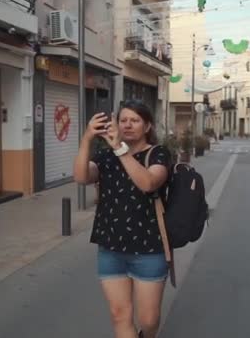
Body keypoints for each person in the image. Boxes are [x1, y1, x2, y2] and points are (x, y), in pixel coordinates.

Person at [73, 100, 171, 338]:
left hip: (149, 248)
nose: (128, 125)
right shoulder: (106, 156)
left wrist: (121, 150)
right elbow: (81, 176)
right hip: (111, 248)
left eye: (135, 120)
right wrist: (87, 139)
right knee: (119, 315)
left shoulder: (158, 153)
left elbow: (148, 183)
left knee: (149, 320)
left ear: (147, 126)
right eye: (123, 120)